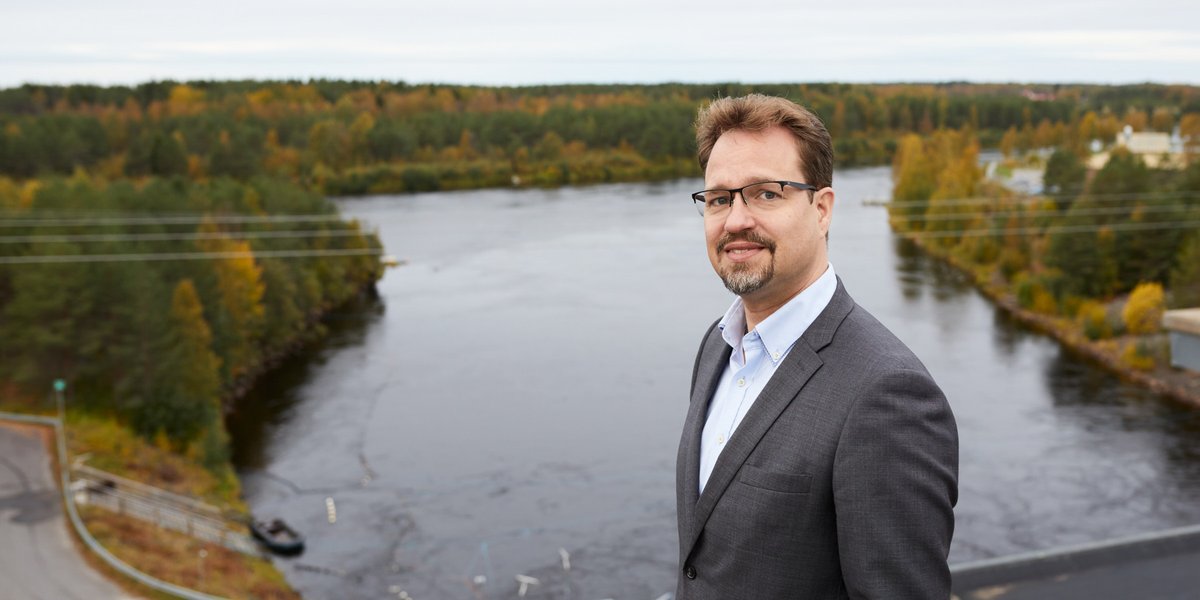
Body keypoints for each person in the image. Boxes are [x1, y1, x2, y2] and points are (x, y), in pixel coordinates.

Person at [675, 94, 958, 599]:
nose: (736, 220)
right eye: (719, 198)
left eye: (766, 194)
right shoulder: (716, 348)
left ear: (822, 209)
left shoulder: (887, 395)